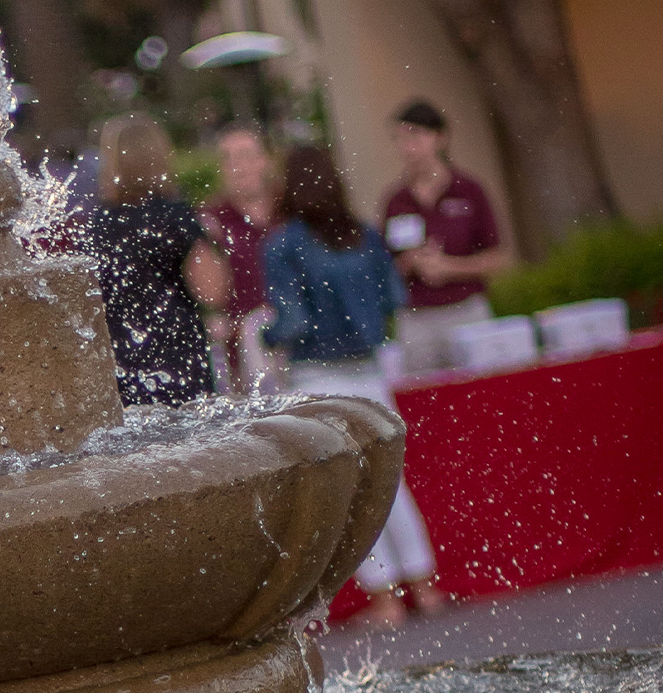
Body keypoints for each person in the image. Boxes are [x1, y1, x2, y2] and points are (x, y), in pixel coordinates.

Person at [263, 146, 448, 628]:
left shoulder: (284, 245)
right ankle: (426, 589)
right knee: (391, 484)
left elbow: (292, 322)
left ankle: (385, 600)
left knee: (350, 490)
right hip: (371, 371)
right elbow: (395, 296)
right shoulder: (365, 235)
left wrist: (262, 333)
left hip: (317, 375)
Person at [87, 114, 231, 406]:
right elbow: (213, 293)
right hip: (179, 355)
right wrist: (207, 238)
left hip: (122, 360)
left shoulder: (98, 224)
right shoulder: (175, 216)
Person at [382, 99, 509, 374]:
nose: (407, 148)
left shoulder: (469, 191)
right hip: (417, 319)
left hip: (466, 311)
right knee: (425, 400)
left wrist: (449, 267)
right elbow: (385, 268)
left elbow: (496, 258)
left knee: (481, 391)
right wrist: (412, 262)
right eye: (399, 139)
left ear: (440, 137)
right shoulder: (396, 201)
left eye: (415, 136)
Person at [200, 124, 279, 392]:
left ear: (264, 160)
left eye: (245, 155)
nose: (237, 166)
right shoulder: (212, 221)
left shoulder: (289, 211)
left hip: (300, 347)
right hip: (242, 357)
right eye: (228, 159)